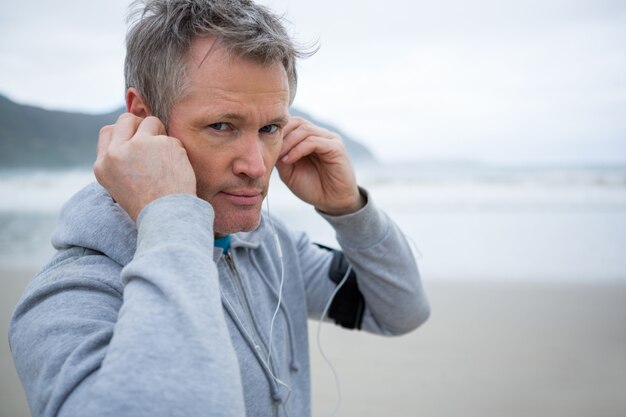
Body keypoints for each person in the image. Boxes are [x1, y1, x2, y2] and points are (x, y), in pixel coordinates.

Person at [9, 0, 430, 416]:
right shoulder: (71, 296)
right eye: (221, 126)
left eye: (270, 128)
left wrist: (349, 210)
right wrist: (173, 217)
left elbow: (400, 311)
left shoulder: (266, 242)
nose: (255, 165)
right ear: (142, 117)